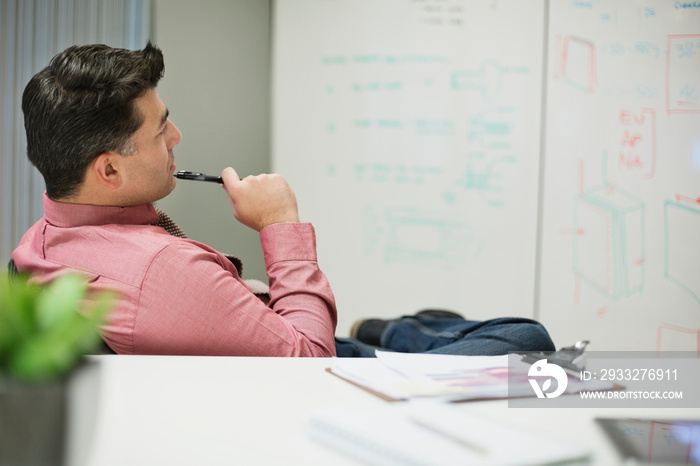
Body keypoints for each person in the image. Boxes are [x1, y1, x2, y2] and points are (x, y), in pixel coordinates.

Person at [12, 42, 555, 358]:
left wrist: (241, 295)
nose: (177, 136)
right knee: (525, 340)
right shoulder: (161, 271)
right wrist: (280, 223)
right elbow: (310, 368)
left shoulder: (38, 243)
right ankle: (389, 334)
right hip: (323, 367)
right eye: (160, 131)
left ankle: (392, 331)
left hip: (270, 338)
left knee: (443, 322)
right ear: (108, 168)